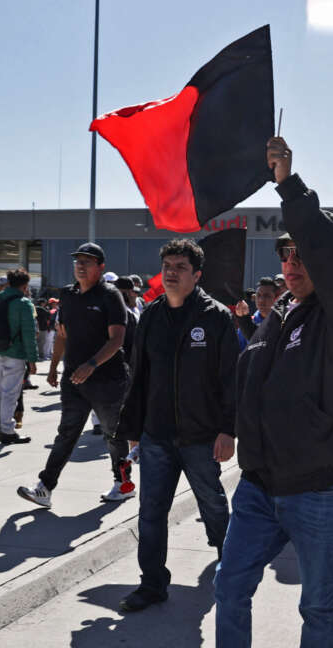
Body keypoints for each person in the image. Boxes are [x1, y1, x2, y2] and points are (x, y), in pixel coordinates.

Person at [177, 137, 333, 648]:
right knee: (229, 588)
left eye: (304, 254)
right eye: (286, 254)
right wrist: (234, 429)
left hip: (321, 488)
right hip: (262, 487)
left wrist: (289, 186)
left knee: (316, 602)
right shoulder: (278, 314)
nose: (293, 263)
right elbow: (256, 382)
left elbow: (327, 254)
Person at [114, 238, 238, 612]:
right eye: (167, 266)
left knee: (214, 508)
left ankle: (231, 573)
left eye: (180, 267)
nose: (171, 273)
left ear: (197, 274)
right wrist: (133, 427)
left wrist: (228, 430)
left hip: (201, 437)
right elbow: (139, 375)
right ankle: (152, 584)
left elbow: (231, 379)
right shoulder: (150, 316)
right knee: (151, 513)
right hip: (157, 437)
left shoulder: (216, 317)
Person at [18, 242, 133, 507]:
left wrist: (92, 364)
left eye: (87, 262)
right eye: (77, 261)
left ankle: (123, 483)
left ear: (100, 267)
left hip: (107, 380)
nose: (80, 266)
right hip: (73, 379)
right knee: (66, 433)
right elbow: (62, 334)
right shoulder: (67, 295)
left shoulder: (110, 296)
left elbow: (117, 340)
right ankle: (45, 487)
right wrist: (54, 366)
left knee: (112, 434)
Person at [0, 269, 37, 445]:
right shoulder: (24, 304)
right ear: (24, 286)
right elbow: (29, 334)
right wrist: (32, 359)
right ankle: (7, 430)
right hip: (14, 354)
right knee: (10, 393)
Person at [232, 276, 280, 346]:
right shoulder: (246, 323)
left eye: (267, 296)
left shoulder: (283, 322)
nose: (261, 300)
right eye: (258, 295)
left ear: (277, 298)